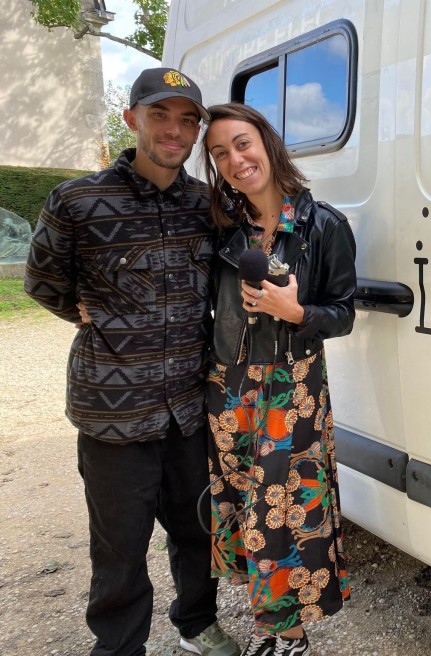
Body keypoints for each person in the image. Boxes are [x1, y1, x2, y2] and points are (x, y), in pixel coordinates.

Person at [24, 69, 240, 656]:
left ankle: (196, 623)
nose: (175, 130)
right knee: (119, 546)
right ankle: (120, 648)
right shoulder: (77, 201)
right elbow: (43, 283)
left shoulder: (208, 204)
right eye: (159, 114)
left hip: (189, 407)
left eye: (187, 119)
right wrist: (87, 314)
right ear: (131, 118)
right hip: (113, 412)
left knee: (198, 527)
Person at [200, 102, 356, 656]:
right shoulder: (222, 228)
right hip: (229, 383)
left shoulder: (324, 225)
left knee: (282, 508)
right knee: (243, 503)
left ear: (267, 143)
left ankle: (289, 636)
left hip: (294, 385)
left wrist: (296, 312)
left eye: (242, 144)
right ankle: (271, 628)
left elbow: (343, 313)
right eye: (220, 152)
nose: (235, 160)